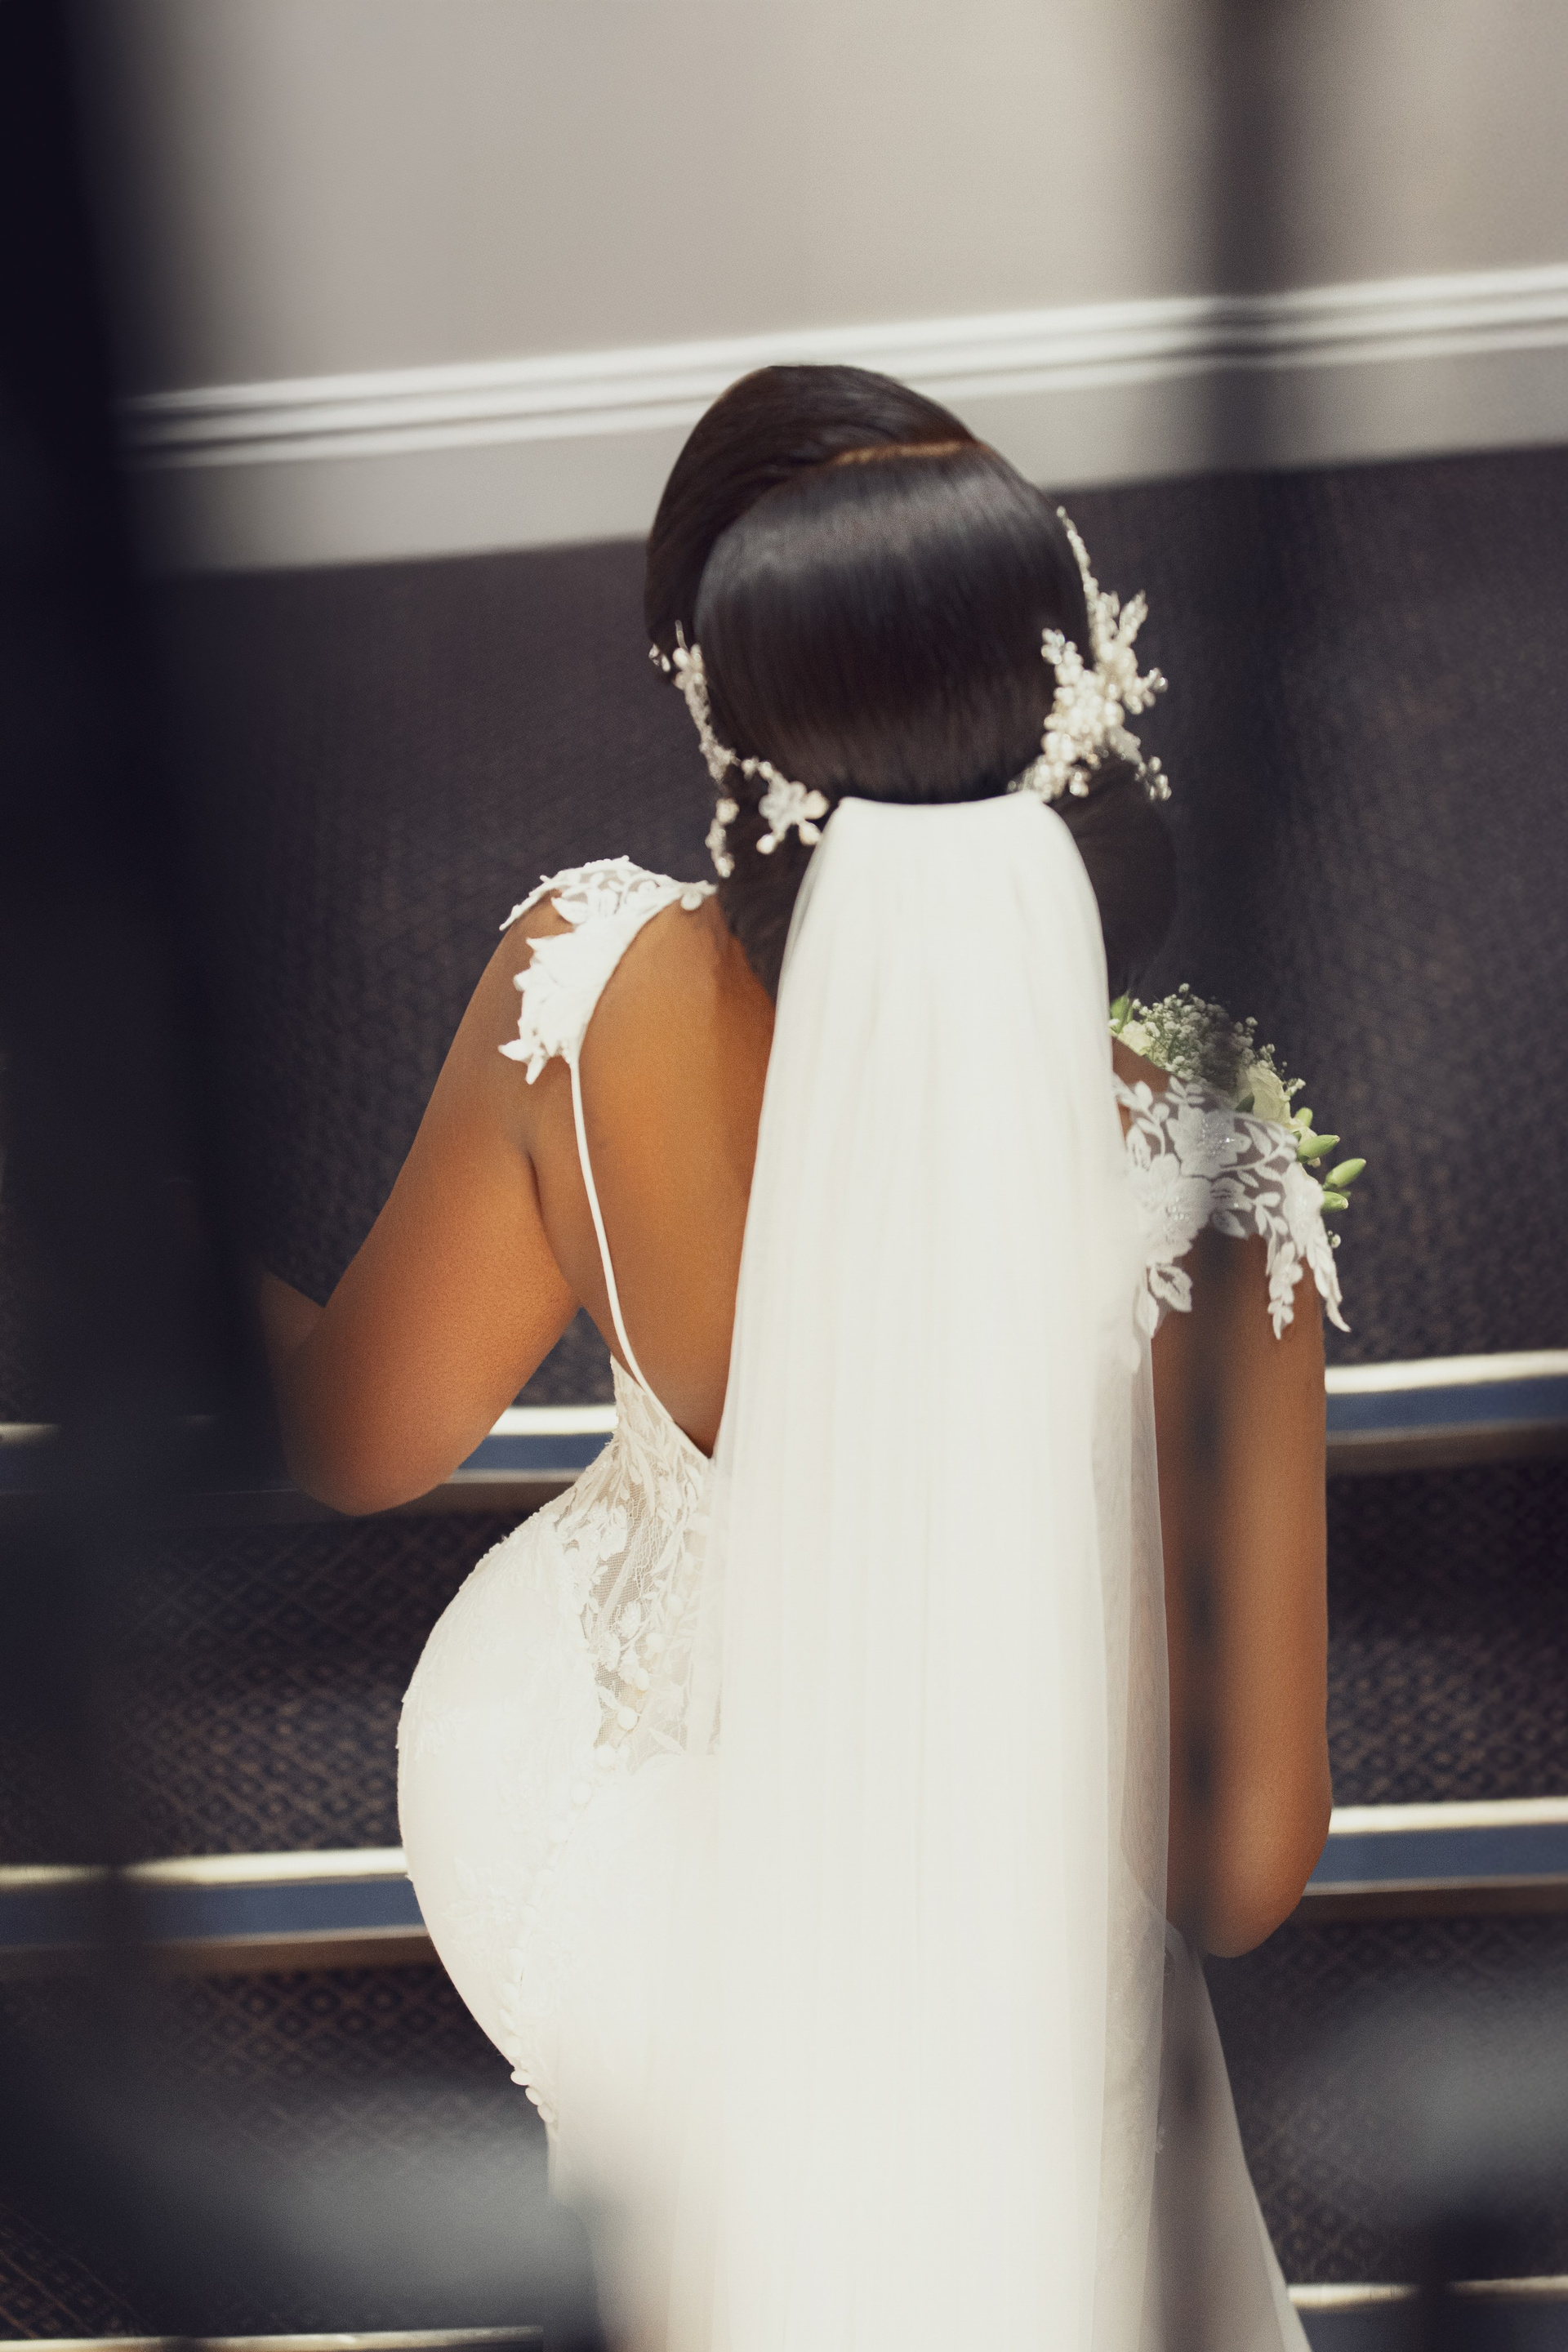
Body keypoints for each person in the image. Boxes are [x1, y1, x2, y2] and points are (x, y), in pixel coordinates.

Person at [261, 365, 1339, 2352]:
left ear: (732, 733)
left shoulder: (582, 989)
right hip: (1006, 1969)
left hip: (615, 1836)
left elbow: (358, 1443)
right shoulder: (1215, 1196)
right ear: (1069, 703)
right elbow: (1239, 1872)